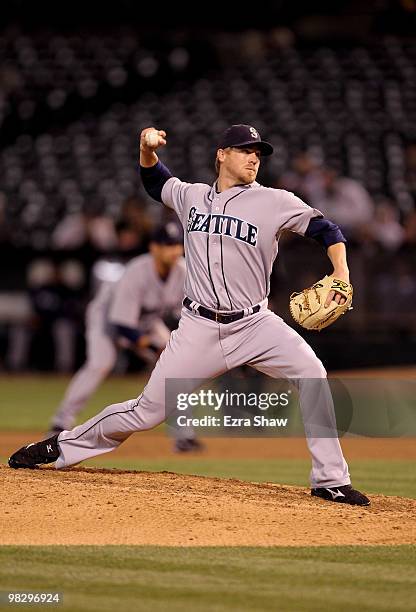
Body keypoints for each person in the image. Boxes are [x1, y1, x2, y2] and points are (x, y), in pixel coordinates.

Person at [8, 124, 370, 506]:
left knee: (312, 373)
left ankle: (330, 480)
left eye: (258, 153)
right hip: (198, 327)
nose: (253, 158)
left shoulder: (275, 201)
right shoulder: (192, 196)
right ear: (221, 154)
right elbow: (154, 181)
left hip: (255, 324)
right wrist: (146, 149)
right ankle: (60, 446)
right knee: (146, 413)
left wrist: (341, 272)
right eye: (245, 150)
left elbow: (328, 231)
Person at [47, 222, 201, 452]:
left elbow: (186, 314)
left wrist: (168, 346)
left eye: (177, 245)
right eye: (167, 245)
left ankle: (183, 435)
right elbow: (122, 325)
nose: (174, 250)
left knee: (176, 365)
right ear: (154, 248)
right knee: (100, 364)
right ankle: (60, 422)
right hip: (107, 320)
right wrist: (150, 345)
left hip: (147, 321)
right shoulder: (136, 272)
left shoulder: (183, 272)